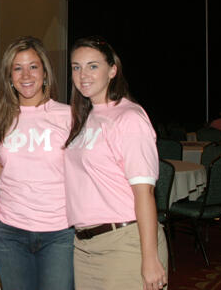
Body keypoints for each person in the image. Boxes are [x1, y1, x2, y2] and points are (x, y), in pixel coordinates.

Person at [64, 36, 168, 290]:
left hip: (125, 242)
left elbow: (145, 193)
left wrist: (150, 258)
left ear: (112, 70)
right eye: (76, 67)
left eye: (93, 66)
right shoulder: (84, 118)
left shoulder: (129, 117)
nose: (83, 74)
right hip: (84, 246)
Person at [0, 36, 74, 290]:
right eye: (17, 68)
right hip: (10, 232)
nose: (26, 75)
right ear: (9, 77)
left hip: (59, 232)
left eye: (33, 66)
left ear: (45, 73)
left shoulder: (68, 116)